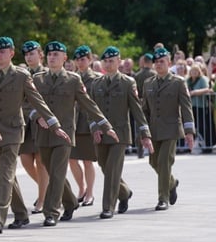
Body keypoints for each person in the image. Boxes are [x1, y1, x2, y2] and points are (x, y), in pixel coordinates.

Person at [0, 37, 67, 233]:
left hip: (13, 131)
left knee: (7, 174)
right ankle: (21, 214)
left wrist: (54, 124)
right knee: (6, 175)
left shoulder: (21, 75)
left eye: (3, 51)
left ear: (11, 53)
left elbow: (37, 101)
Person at [32, 41, 117, 226]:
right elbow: (27, 103)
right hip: (43, 134)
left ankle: (51, 212)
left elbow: (88, 104)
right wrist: (37, 117)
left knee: (57, 172)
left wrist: (105, 125)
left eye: (57, 54)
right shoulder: (38, 79)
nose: (52, 57)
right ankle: (70, 202)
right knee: (52, 170)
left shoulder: (72, 80)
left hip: (64, 134)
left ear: (64, 58)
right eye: (50, 55)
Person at [90, 47, 153, 218]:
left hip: (120, 133)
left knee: (111, 170)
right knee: (104, 166)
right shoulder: (96, 83)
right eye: (106, 61)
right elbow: (91, 110)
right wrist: (94, 128)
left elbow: (137, 110)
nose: (109, 64)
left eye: (112, 60)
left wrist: (145, 134)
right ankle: (124, 192)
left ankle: (108, 207)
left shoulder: (127, 82)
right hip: (102, 134)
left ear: (119, 62)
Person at [141, 47, 195, 210]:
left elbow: (186, 107)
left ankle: (162, 198)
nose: (158, 64)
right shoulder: (148, 83)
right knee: (153, 161)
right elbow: (145, 109)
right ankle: (171, 182)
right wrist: (144, 132)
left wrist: (189, 132)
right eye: (156, 62)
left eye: (162, 61)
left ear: (169, 62)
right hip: (154, 129)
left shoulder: (178, 82)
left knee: (164, 162)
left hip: (171, 130)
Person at [19, 40, 48, 213]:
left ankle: (43, 199)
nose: (29, 57)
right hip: (25, 122)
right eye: (27, 54)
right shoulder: (22, 74)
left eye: (32, 53)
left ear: (40, 54)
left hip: (42, 122)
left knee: (40, 161)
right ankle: (48, 190)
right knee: (25, 161)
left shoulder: (46, 74)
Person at [69, 45, 100, 206]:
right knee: (72, 159)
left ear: (90, 60)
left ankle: (90, 193)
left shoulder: (95, 78)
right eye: (78, 59)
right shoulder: (72, 77)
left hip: (88, 124)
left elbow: (96, 105)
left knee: (88, 160)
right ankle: (81, 188)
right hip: (74, 123)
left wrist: (97, 125)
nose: (80, 62)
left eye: (83, 59)